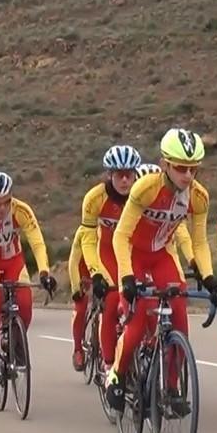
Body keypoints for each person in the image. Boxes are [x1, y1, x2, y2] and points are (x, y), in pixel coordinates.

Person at [105, 129, 217, 414]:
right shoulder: (145, 188)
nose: (188, 176)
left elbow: (197, 241)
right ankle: (117, 376)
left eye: (194, 169)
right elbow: (121, 236)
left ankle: (171, 389)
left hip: (161, 256)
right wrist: (126, 279)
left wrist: (209, 278)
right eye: (181, 168)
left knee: (181, 321)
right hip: (134, 254)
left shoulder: (199, 196)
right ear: (165, 164)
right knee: (137, 320)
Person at [0, 171, 56, 384]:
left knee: (25, 304)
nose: (2, 208)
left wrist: (44, 271)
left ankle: (16, 343)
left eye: (6, 201)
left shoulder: (22, 210)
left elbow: (37, 242)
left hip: (13, 262)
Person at [78, 144, 142, 374]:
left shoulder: (142, 194)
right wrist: (96, 272)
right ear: (109, 175)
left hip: (134, 254)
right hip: (105, 254)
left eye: (130, 175)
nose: (125, 181)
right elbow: (87, 239)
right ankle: (107, 364)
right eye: (119, 175)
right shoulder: (94, 198)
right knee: (114, 298)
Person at [68, 225, 92, 371]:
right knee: (81, 307)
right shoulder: (84, 231)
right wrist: (76, 288)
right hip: (85, 275)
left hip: (107, 273)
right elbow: (73, 262)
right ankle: (78, 349)